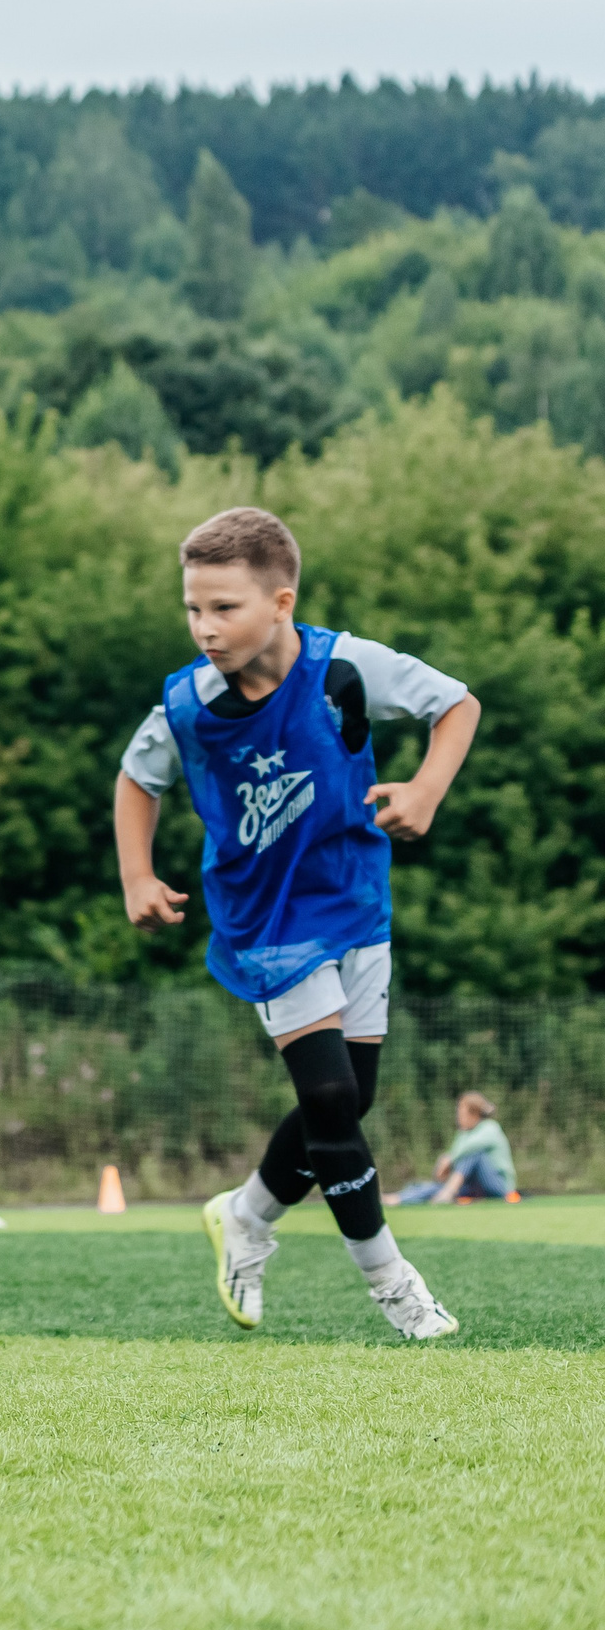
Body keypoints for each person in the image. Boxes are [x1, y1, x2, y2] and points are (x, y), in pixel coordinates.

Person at [119, 506, 481, 1341]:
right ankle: (396, 1288)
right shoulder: (189, 701)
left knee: (353, 1097)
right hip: (265, 918)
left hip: (354, 900)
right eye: (192, 609)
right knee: (325, 1094)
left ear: (281, 602)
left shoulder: (344, 667)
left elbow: (455, 705)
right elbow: (138, 781)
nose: (205, 630)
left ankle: (246, 1215)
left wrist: (426, 789)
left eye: (225, 609)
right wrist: (138, 874)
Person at [396, 1092, 519, 1205]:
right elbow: (457, 1162)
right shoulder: (462, 1134)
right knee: (436, 1187)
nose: (458, 1117)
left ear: (474, 1114)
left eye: (461, 1113)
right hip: (472, 1186)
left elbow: (466, 1150)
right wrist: (445, 1169)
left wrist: (449, 1159)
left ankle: (449, 1192)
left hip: (499, 1187)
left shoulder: (490, 1127)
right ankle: (400, 1198)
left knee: (475, 1153)